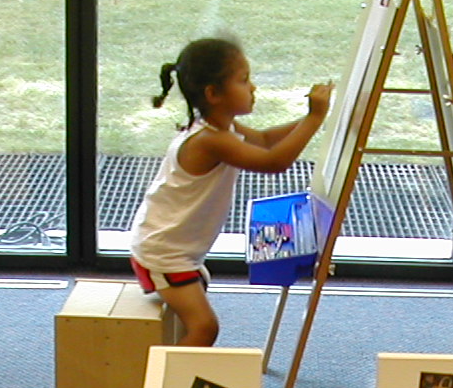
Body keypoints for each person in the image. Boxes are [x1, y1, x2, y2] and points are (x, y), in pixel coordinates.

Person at [130, 37, 332, 346]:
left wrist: (313, 120)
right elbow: (274, 161)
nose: (253, 88)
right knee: (205, 328)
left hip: (173, 247)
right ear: (213, 94)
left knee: (195, 321)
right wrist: (315, 118)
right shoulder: (210, 141)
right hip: (164, 254)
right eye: (244, 80)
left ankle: (173, 378)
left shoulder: (221, 128)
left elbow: (264, 140)